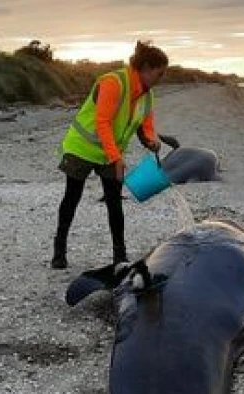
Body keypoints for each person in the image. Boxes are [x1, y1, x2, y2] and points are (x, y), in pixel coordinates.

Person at [51, 41, 169, 269]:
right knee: (72, 197)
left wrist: (151, 141)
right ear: (145, 68)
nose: (161, 78)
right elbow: (102, 122)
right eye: (159, 73)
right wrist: (116, 159)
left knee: (115, 202)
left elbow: (145, 125)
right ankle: (59, 250)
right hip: (82, 147)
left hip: (109, 151)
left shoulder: (147, 95)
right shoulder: (113, 82)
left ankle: (120, 256)